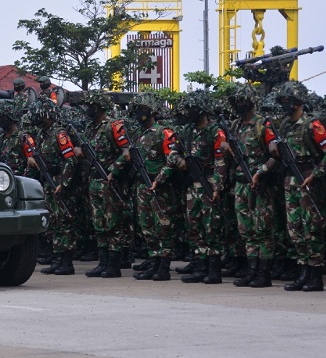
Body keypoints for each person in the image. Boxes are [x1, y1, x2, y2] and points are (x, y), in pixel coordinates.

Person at [264, 81, 326, 292]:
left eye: (289, 101)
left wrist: (316, 174)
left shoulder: (313, 125)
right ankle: (303, 271)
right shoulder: (284, 125)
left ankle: (315, 274)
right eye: (283, 101)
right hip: (290, 180)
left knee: (311, 228)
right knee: (294, 229)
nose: (285, 105)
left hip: (307, 179)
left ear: (298, 102)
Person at [167, 90, 228, 284]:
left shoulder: (215, 132)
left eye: (194, 109)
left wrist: (217, 187)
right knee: (194, 225)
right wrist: (180, 162)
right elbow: (172, 152)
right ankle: (200, 266)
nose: (190, 113)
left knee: (212, 227)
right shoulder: (186, 131)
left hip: (209, 182)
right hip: (192, 185)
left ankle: (214, 269)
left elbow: (220, 161)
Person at [229, 85, 277, 287]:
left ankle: (264, 273)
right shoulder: (235, 126)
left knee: (263, 230)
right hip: (241, 185)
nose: (239, 106)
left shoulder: (263, 125)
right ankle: (251, 270)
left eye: (242, 102)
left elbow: (275, 155)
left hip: (259, 185)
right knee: (246, 230)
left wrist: (261, 172)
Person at [80, 90, 131, 279]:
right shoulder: (91, 128)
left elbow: (126, 152)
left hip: (110, 182)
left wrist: (113, 170)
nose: (89, 110)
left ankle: (113, 264)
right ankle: (102, 263)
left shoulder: (113, 126)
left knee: (113, 224)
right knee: (98, 224)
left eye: (92, 106)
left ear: (101, 107)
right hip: (94, 181)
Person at [128, 93, 178, 281]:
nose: (139, 114)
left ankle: (164, 266)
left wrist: (159, 179)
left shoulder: (163, 132)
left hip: (158, 186)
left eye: (142, 110)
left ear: (151, 112)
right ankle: (154, 261)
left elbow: (172, 159)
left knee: (163, 226)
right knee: (146, 225)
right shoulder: (140, 134)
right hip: (143, 186)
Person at [26, 100, 80, 276]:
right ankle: (57, 259)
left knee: (64, 222)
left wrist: (62, 183)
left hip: (59, 182)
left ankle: (66, 261)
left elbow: (70, 160)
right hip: (48, 182)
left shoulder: (60, 134)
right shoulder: (42, 134)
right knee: (54, 222)